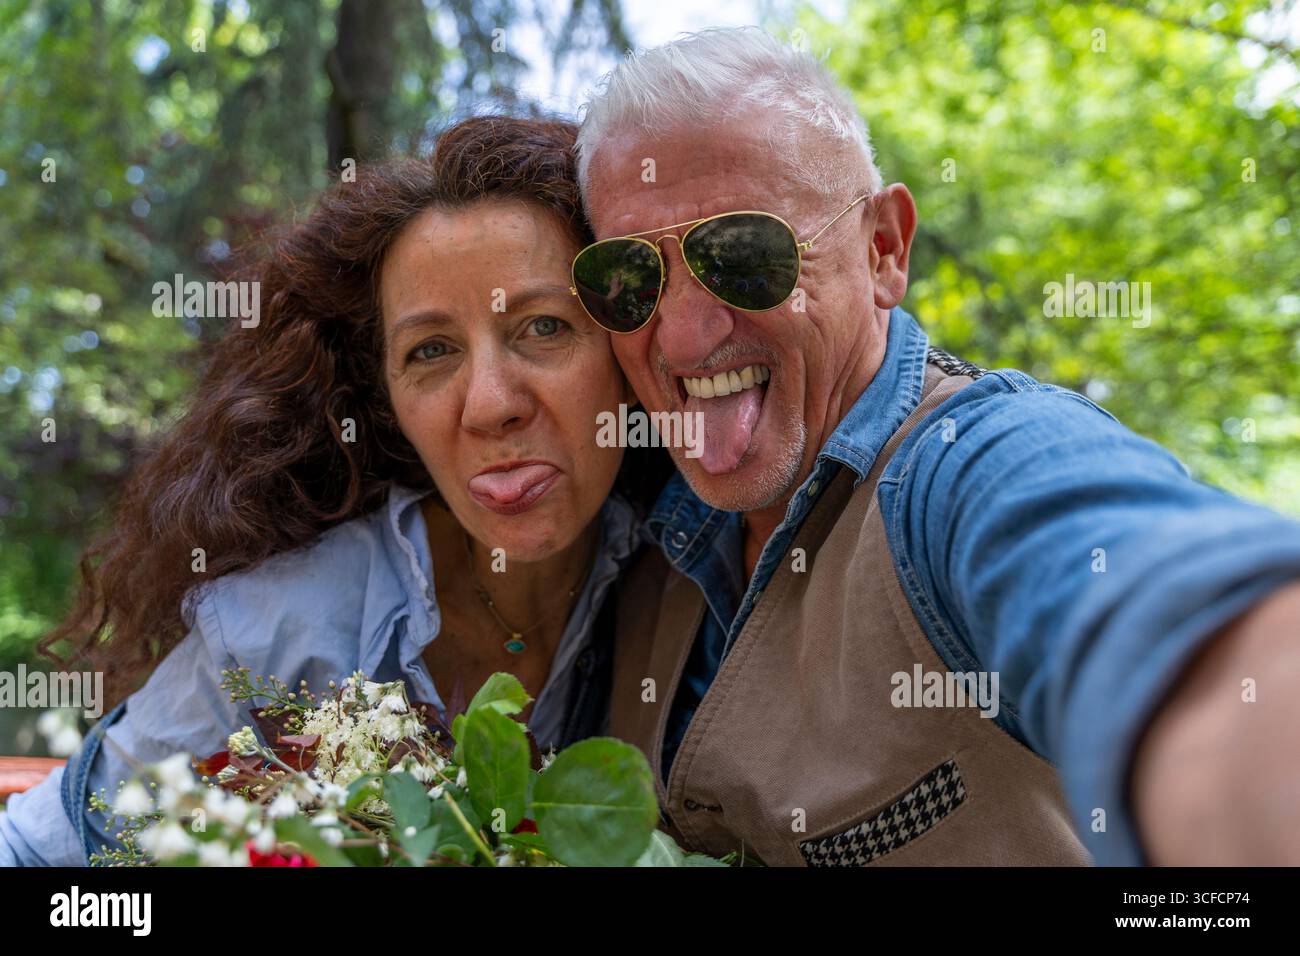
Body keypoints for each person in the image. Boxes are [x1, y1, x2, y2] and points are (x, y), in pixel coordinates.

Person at [569, 27, 1300, 866]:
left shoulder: (963, 467)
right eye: (628, 277)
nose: (687, 338)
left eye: (744, 256)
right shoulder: (628, 518)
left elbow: (1151, 600)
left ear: (884, 249)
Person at [0, 115, 670, 866]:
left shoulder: (690, 574)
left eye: (543, 327)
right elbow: (36, 855)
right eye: (432, 350)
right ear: (385, 398)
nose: (490, 403)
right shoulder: (282, 629)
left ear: (626, 344)